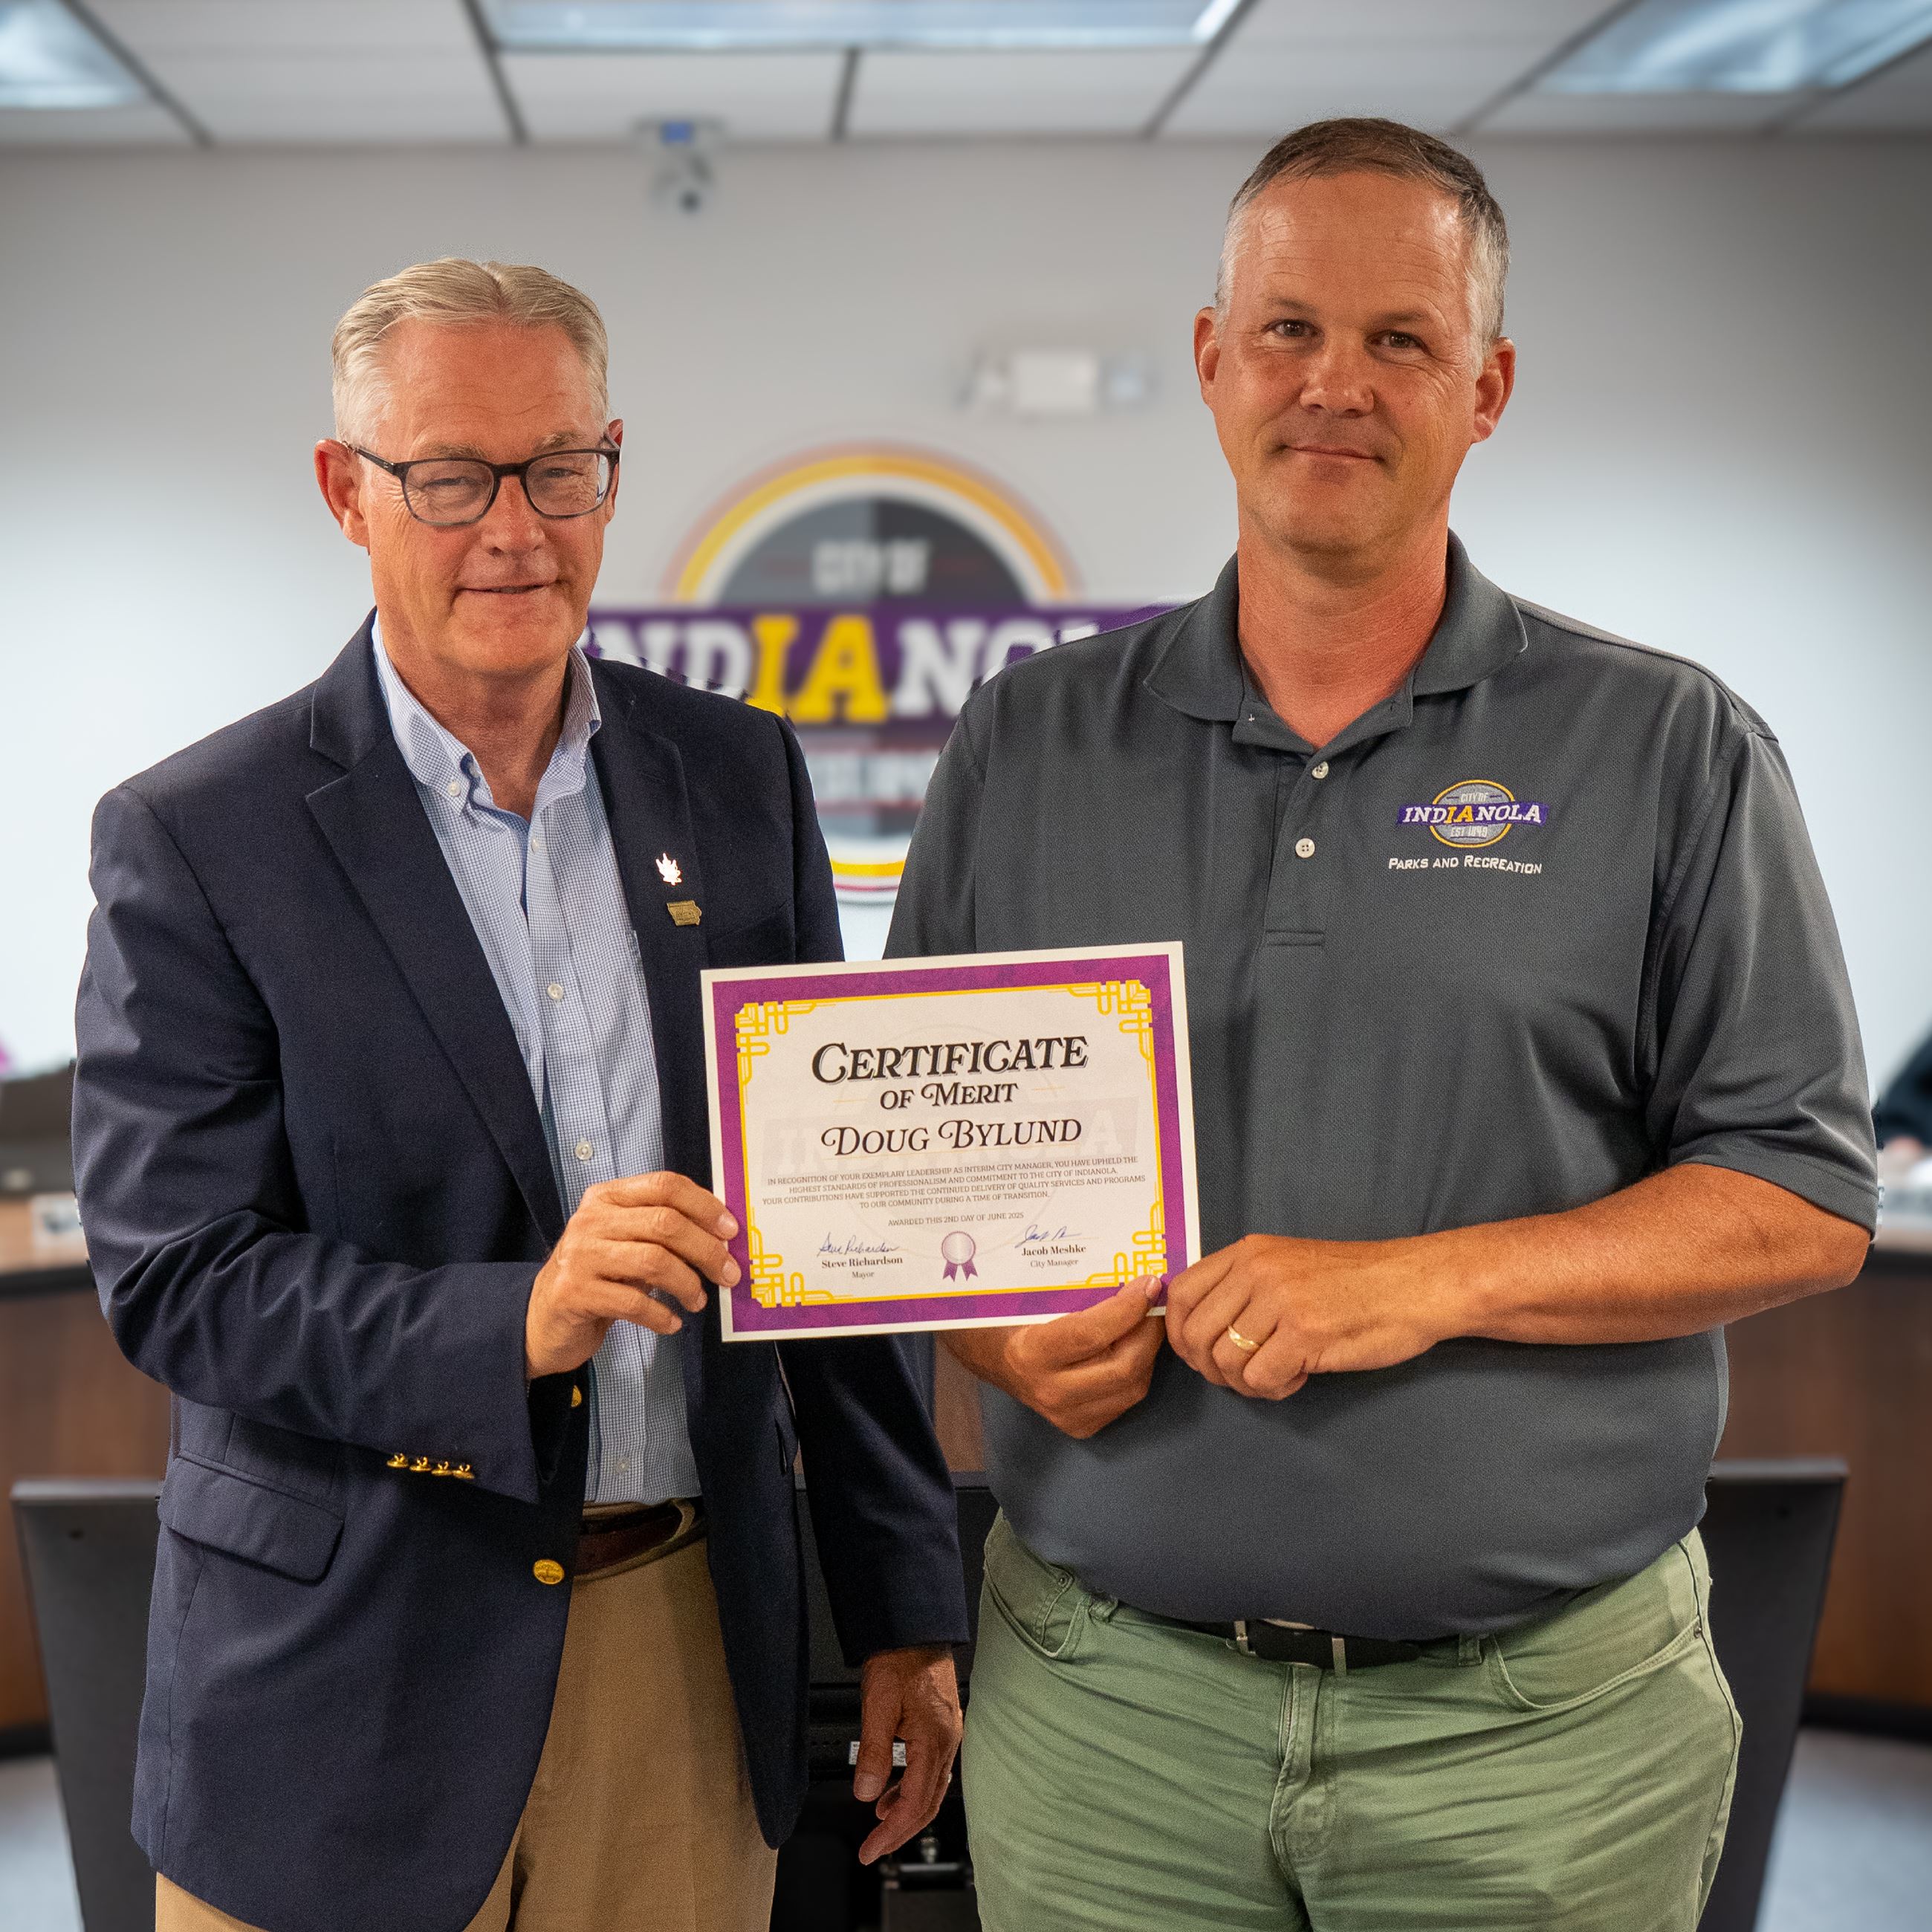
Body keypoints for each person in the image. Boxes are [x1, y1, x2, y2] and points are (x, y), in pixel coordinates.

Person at [889, 120, 1875, 1931]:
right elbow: (903, 1191)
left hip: (1540, 1742)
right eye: (1287, 332)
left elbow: (1802, 1192)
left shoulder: (1667, 748)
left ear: (1485, 387)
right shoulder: (1023, 745)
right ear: (1211, 360)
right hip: (1109, 1721)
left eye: (1401, 341)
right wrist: (996, 1340)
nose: (1333, 384)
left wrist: (1418, 1280)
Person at [72, 259, 967, 1932]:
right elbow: (177, 1278)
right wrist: (518, 1321)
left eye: (560, 469)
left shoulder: (742, 777)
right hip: (340, 1671)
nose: (516, 528)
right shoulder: (201, 835)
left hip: (682, 1649)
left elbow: (832, 1231)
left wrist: (906, 1606)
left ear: (610, 469)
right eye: (451, 477)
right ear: (347, 492)